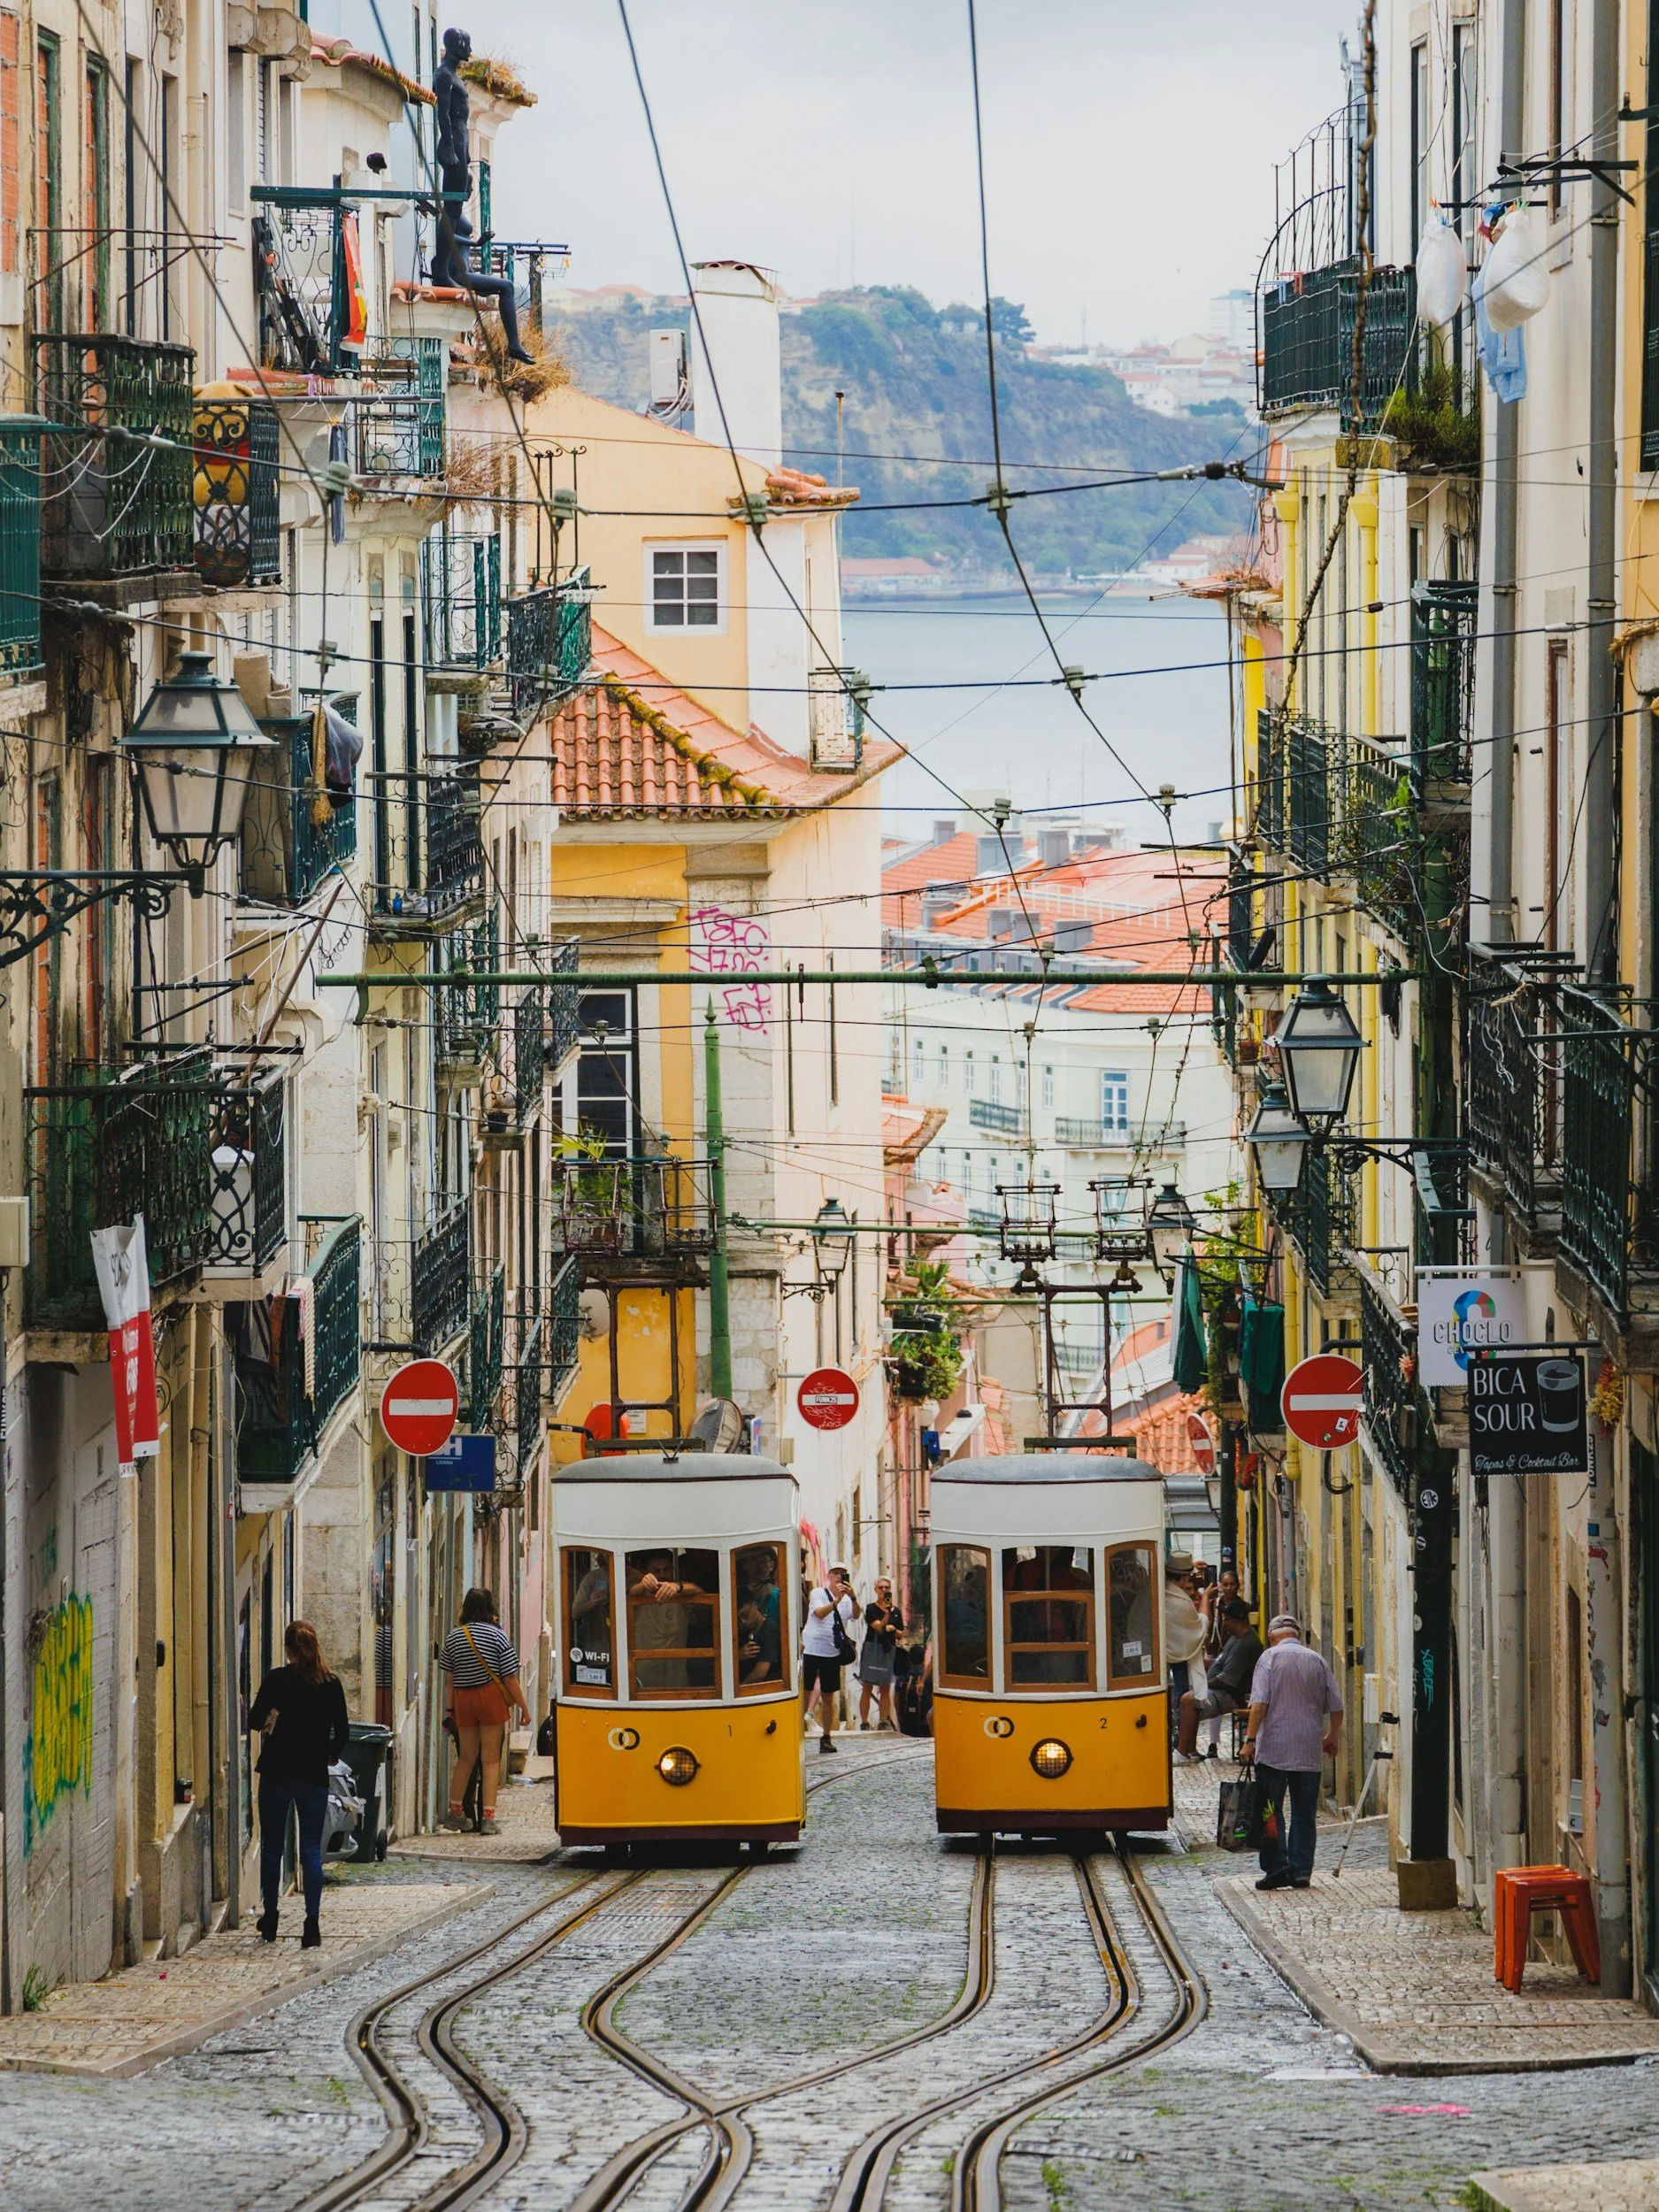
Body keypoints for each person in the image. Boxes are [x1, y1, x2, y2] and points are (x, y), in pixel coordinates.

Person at [248, 1619, 350, 1948]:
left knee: (273, 1848)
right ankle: (312, 1925)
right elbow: (343, 1732)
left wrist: (275, 1712)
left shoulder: (277, 1679)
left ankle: (272, 1918)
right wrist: (329, 1755)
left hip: (277, 1773)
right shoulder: (331, 1684)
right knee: (310, 1850)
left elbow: (253, 1720)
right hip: (312, 1775)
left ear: (289, 1650)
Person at [1240, 1613, 1344, 1891]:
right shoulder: (1317, 1660)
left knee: (1271, 1811)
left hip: (1274, 1749)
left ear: (1273, 1636)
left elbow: (1259, 1704)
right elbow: (1336, 1704)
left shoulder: (1269, 1658)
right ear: (1296, 1634)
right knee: (1304, 1812)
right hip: (1308, 1750)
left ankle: (1277, 1867)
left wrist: (1249, 1740)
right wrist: (1332, 1735)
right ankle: (1300, 1872)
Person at [438, 1588, 532, 1836]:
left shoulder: (454, 1637)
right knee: (490, 1760)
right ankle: (488, 1818)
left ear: (465, 1608)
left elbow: (450, 1680)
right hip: (490, 1697)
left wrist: (449, 1711)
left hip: (463, 1699)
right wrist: (524, 1706)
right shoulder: (497, 1636)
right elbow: (509, 1677)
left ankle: (455, 1814)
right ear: (490, 1609)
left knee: (466, 1758)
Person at [1174, 1598, 1263, 1761]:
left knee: (1188, 1700)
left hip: (1231, 1695)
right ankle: (1191, 1750)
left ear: (1234, 1621)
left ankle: (1181, 1752)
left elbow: (1227, 1679)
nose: (1224, 1624)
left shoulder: (1245, 1644)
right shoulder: (1236, 1637)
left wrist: (1203, 1685)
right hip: (1222, 1690)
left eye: (1226, 1621)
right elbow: (1220, 1662)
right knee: (1189, 1696)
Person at [801, 1563, 858, 1754]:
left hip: (832, 1652)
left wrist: (852, 1597)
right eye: (835, 1573)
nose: (839, 1577)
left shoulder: (848, 1598)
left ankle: (826, 1737)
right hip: (811, 1649)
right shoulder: (818, 1593)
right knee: (805, 1692)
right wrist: (836, 1601)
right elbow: (818, 1613)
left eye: (843, 1574)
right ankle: (796, 1731)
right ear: (829, 1576)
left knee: (828, 1696)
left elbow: (856, 1615)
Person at [1163, 1551, 1207, 1734]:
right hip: (1177, 1654)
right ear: (1184, 1577)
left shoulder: (1159, 1589)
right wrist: (1205, 1600)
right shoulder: (1180, 1603)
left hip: (1157, 1651)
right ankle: (1179, 1738)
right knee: (1182, 1696)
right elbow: (1198, 1628)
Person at [857, 1578, 903, 1731]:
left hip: (888, 1650)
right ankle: (864, 1722)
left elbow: (901, 1634)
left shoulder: (897, 1612)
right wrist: (886, 1615)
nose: (884, 1590)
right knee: (867, 1685)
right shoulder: (871, 1609)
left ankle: (883, 1721)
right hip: (872, 1649)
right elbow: (878, 1628)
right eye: (881, 1588)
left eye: (887, 1587)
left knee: (885, 1687)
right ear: (876, 1590)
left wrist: (894, 1630)